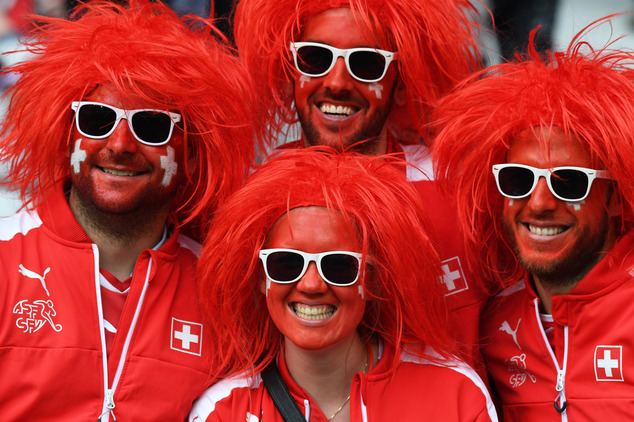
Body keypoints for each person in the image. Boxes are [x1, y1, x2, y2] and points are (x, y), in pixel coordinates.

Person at [0, 0, 255, 420]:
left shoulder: (222, 293)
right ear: (68, 136)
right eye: (97, 120)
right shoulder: (7, 260)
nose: (119, 146)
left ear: (190, 153)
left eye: (151, 125)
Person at [234, 0, 490, 373]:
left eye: (366, 63)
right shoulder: (251, 200)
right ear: (290, 72)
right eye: (315, 59)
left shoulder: (460, 191)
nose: (337, 83)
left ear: (400, 83)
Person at [188, 149, 497, 421]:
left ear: (372, 279)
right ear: (261, 279)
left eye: (338, 266)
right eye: (286, 264)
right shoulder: (222, 411)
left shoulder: (455, 394)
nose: (310, 285)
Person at [432, 23, 634, 420]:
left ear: (614, 197)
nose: (538, 203)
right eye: (518, 179)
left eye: (568, 183)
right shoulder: (492, 328)